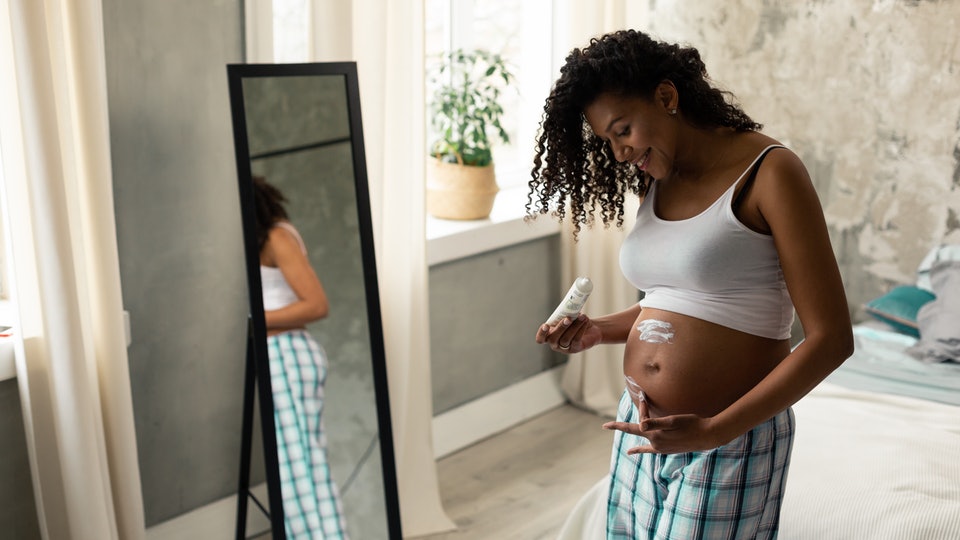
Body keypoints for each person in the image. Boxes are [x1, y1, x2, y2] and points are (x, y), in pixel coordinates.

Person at [529, 30, 853, 539]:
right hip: (641, 426)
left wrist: (713, 431)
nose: (619, 152)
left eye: (624, 130)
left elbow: (832, 339)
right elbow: (677, 304)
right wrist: (597, 330)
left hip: (729, 434)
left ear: (666, 96)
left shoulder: (770, 173)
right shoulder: (657, 175)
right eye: (608, 141)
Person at [253, 175, 349, 540]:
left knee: (301, 476)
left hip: (287, 356)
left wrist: (251, 323)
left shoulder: (276, 237)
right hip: (277, 357)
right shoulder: (261, 240)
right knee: (295, 473)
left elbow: (316, 304)